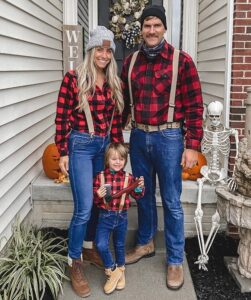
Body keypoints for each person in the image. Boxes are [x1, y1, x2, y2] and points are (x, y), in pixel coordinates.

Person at [121, 5, 204, 290]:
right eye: (147, 25)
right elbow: (122, 105)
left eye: (157, 25)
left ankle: (174, 259)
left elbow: (195, 106)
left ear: (164, 28)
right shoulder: (130, 61)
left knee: (171, 200)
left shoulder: (182, 61)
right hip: (139, 139)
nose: (152, 30)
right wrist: (115, 140)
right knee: (142, 195)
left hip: (169, 139)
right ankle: (145, 243)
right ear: (141, 29)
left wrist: (192, 146)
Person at [55, 26, 124, 298]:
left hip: (104, 147)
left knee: (99, 201)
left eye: (108, 51)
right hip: (81, 147)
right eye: (100, 49)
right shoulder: (73, 79)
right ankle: (73, 261)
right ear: (90, 50)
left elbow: (115, 123)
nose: (104, 55)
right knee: (83, 207)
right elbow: (61, 118)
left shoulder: (112, 83)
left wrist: (117, 154)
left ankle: (90, 248)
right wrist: (63, 151)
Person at [93, 143, 144, 295]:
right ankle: (112, 270)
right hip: (105, 217)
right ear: (107, 160)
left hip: (122, 216)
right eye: (113, 159)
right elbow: (95, 200)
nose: (117, 162)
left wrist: (139, 187)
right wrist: (98, 195)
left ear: (125, 160)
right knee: (101, 244)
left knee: (119, 245)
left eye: (121, 159)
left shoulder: (129, 178)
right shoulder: (100, 177)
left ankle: (121, 269)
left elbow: (137, 195)